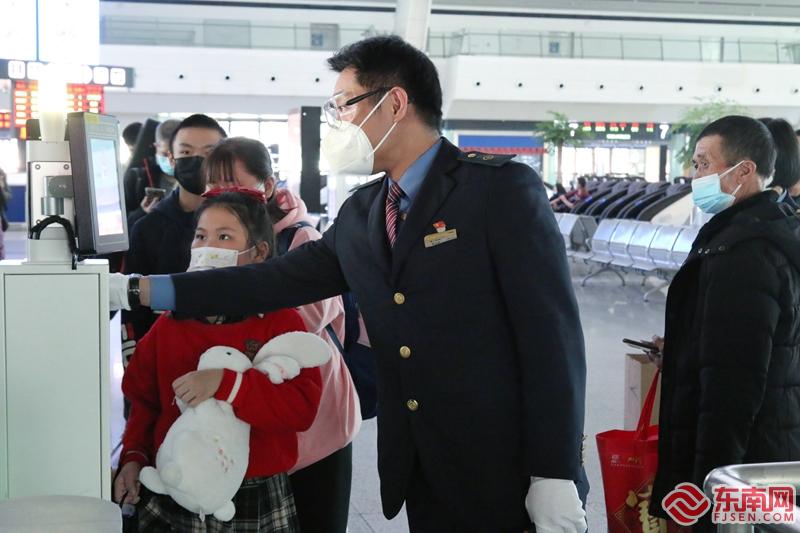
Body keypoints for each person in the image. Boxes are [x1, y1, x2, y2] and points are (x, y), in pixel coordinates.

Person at [111, 35, 588, 533]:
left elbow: (551, 336)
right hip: (423, 467)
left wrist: (553, 470)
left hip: (504, 467)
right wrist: (140, 290)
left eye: (344, 105)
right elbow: (269, 282)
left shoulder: (495, 190)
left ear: (395, 103)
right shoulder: (364, 212)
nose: (337, 122)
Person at [115, 189, 321, 531]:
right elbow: (144, 403)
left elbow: (300, 408)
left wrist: (228, 384)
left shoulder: (280, 322)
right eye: (200, 236)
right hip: (173, 488)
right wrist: (133, 457)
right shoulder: (170, 325)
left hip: (252, 494)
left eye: (224, 237)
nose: (207, 246)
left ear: (258, 252)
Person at [645, 116, 800, 531]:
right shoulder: (757, 232)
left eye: (703, 164)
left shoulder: (745, 253)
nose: (695, 176)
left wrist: (710, 486)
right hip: (767, 447)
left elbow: (734, 382)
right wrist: (682, 353)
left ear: (744, 170)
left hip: (742, 465)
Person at [203, 137, 361, 533]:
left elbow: (301, 323)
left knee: (317, 517)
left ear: (268, 186)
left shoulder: (302, 240)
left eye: (232, 184)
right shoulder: (211, 241)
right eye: (213, 186)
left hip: (317, 415)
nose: (222, 195)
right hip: (256, 412)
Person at [121, 114, 226, 368]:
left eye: (208, 152)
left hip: (229, 366)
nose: (197, 161)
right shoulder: (149, 228)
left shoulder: (245, 225)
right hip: (164, 363)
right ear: (171, 158)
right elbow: (133, 309)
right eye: (186, 152)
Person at [124, 119, 181, 230]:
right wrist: (142, 212)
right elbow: (122, 226)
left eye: (175, 154)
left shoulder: (198, 181)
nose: (171, 160)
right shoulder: (137, 179)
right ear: (156, 147)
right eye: (165, 154)